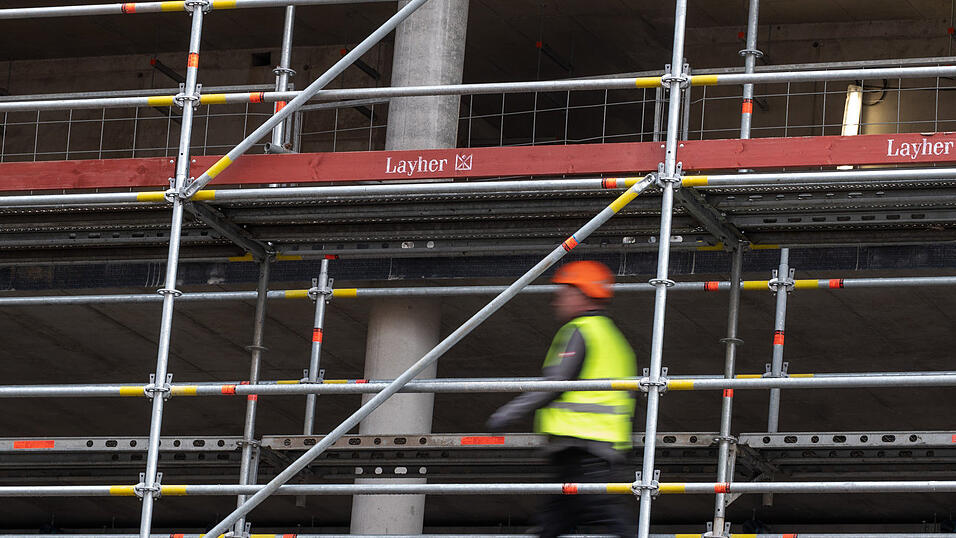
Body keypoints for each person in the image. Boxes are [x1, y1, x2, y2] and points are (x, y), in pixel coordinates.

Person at [486, 260, 638, 538]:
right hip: (591, 450)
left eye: (563, 291)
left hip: (585, 450)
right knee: (553, 524)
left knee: (609, 518)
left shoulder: (581, 331)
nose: (557, 299)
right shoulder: (614, 339)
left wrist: (506, 414)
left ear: (581, 293)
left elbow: (553, 385)